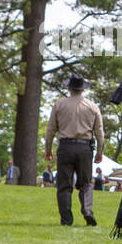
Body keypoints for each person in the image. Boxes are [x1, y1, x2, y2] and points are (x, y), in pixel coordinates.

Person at [45, 75, 103, 226]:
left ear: (69, 88)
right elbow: (99, 131)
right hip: (84, 147)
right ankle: (87, 211)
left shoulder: (59, 105)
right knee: (86, 183)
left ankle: (66, 219)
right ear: (83, 89)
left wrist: (48, 149)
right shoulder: (92, 106)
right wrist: (100, 151)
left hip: (65, 146)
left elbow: (51, 129)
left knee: (64, 184)